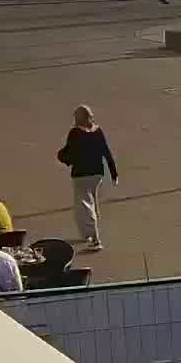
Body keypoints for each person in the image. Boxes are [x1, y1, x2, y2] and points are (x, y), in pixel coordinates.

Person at [57, 105, 117, 253]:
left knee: (84, 207)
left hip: (81, 175)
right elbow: (106, 152)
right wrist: (114, 173)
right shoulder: (98, 131)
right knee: (91, 203)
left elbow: (68, 152)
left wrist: (62, 157)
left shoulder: (75, 133)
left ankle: (95, 239)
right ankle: (87, 234)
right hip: (97, 173)